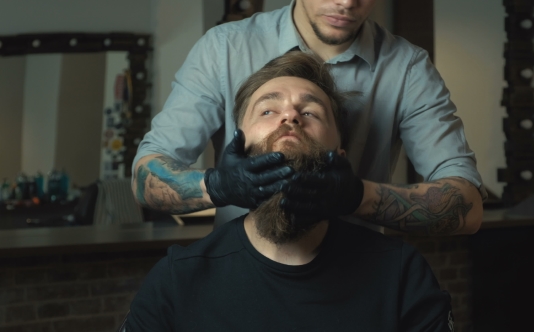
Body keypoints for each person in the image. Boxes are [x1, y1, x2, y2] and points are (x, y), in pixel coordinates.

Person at [124, 52, 455, 331]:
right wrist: (218, 184)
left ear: (340, 155)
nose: (290, 116)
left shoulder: (400, 275)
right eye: (268, 110)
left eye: (310, 112)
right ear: (236, 145)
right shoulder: (179, 279)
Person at [132, 0, 487, 235]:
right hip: (241, 271)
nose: (346, 2)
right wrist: (219, 186)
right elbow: (145, 174)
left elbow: (467, 207)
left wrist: (358, 197)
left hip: (357, 280)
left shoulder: (408, 69)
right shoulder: (224, 49)